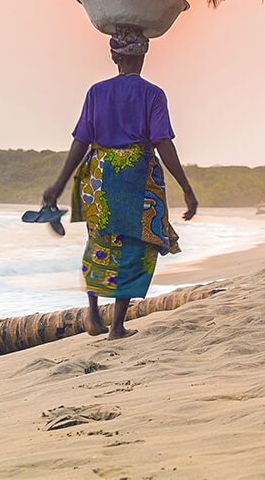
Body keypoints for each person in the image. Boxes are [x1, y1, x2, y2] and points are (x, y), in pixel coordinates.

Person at [43, 26, 198, 340]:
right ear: (143, 55)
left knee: (99, 243)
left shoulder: (96, 92)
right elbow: (162, 142)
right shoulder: (152, 94)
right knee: (133, 248)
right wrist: (186, 186)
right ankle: (116, 326)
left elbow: (80, 141)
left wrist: (58, 184)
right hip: (135, 177)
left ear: (114, 56)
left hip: (98, 176)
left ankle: (93, 314)